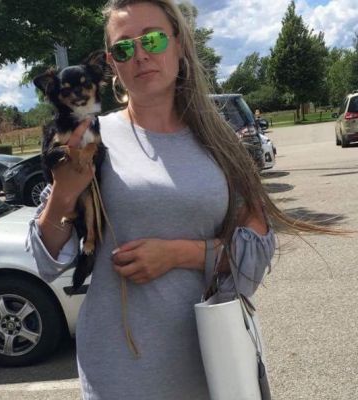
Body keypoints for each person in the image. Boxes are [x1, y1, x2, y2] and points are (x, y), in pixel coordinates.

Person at [25, 1, 330, 398]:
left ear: (180, 44)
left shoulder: (219, 141)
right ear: (112, 65)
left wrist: (181, 254)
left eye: (152, 39)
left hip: (214, 365)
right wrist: (65, 192)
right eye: (123, 48)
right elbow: (46, 260)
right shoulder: (88, 135)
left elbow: (255, 252)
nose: (140, 54)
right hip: (118, 370)